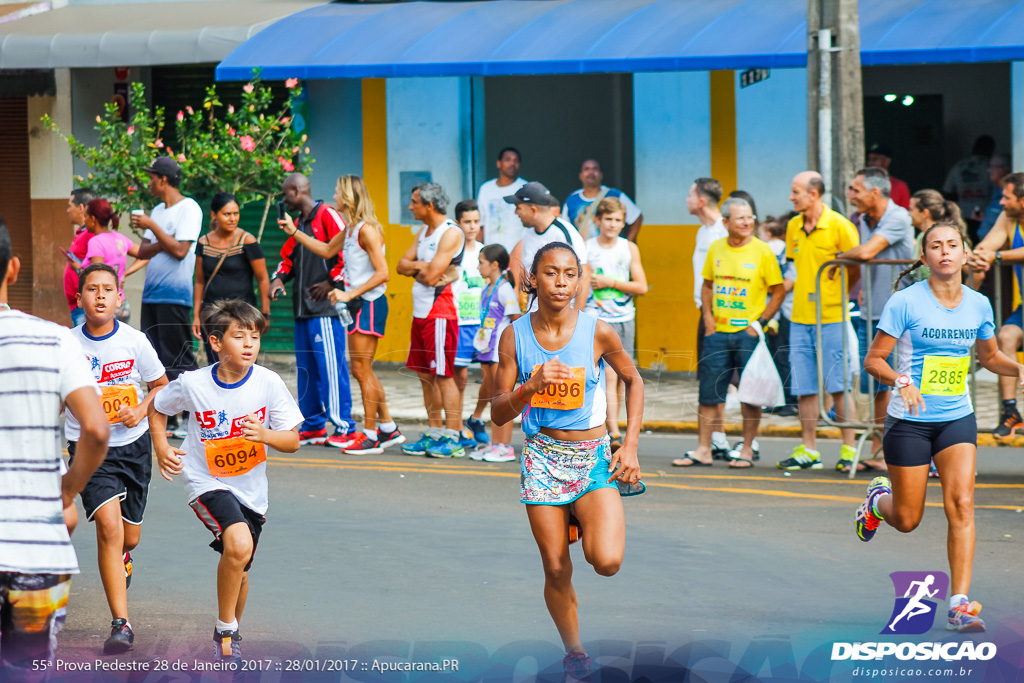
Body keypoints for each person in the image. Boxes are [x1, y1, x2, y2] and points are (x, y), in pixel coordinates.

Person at [855, 221, 1024, 633]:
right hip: (909, 422)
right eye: (936, 246)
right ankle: (878, 501)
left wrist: (1017, 368)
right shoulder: (905, 302)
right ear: (925, 257)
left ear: (965, 255)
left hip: (956, 418)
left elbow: (988, 357)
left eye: (953, 245)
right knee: (908, 519)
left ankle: (959, 604)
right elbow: (874, 360)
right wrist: (901, 380)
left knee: (962, 504)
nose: (945, 252)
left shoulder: (979, 304)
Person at [490, 242, 643, 682]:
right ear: (534, 279)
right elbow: (499, 412)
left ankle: (578, 515)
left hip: (592, 458)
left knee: (607, 560)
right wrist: (529, 386)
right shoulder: (514, 336)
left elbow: (634, 381)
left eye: (570, 274)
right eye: (551, 273)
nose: (561, 282)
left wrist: (628, 446)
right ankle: (574, 651)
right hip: (542, 458)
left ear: (579, 280)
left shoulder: (599, 331)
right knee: (556, 567)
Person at [150, 299, 303, 664]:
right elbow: (157, 406)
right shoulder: (194, 384)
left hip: (252, 490)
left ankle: (232, 628)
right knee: (237, 544)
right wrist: (161, 446)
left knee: (242, 563)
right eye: (239, 336)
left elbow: (293, 441)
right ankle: (225, 629)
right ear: (216, 343)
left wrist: (265, 435)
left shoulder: (268, 382)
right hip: (206, 481)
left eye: (254, 336)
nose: (250, 343)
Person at [0, 220, 109, 677]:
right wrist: (68, 489)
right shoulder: (54, 339)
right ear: (13, 268)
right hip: (35, 553)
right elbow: (97, 430)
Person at [66, 264, 168, 654]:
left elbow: (161, 385)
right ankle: (121, 624)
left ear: (119, 297)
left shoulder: (135, 341)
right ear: (80, 299)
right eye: (92, 289)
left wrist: (142, 409)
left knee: (129, 537)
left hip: (134, 447)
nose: (101, 296)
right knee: (108, 528)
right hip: (89, 448)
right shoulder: (67, 344)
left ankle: (124, 556)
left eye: (108, 289)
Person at [278, 175, 403, 455]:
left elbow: (383, 273)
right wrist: (293, 231)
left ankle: (370, 435)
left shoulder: (366, 230)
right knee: (364, 370)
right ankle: (388, 427)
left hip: (368, 304)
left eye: (337, 192)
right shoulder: (349, 229)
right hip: (357, 306)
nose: (333, 196)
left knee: (360, 370)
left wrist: (348, 293)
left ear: (347, 197)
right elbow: (324, 249)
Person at [672, 197, 783, 468]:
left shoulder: (762, 251)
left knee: (750, 395)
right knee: (709, 393)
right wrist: (708, 319)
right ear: (726, 222)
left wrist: (760, 323)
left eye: (750, 218)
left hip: (748, 334)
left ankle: (746, 449)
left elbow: (778, 290)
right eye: (740, 218)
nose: (747, 222)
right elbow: (707, 285)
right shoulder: (716, 248)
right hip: (717, 332)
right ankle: (703, 449)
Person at [778, 171, 860, 471]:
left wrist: (838, 297)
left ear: (814, 194)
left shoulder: (840, 226)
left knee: (838, 384)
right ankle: (809, 448)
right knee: (804, 386)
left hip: (832, 316)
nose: (791, 197)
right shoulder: (793, 226)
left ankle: (849, 447)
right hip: (800, 316)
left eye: (795, 191)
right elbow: (794, 268)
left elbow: (855, 268)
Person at [270, 173, 355, 449]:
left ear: (296, 191)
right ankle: (314, 425)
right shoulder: (298, 224)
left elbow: (348, 252)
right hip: (302, 310)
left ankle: (344, 426)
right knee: (306, 370)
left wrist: (332, 281)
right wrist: (279, 278)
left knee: (331, 369)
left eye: (285, 195)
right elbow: (287, 258)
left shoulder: (328, 216)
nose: (284, 200)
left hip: (326, 309)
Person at [839, 167, 914, 471]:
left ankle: (888, 450)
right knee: (875, 384)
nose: (851, 195)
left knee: (892, 381)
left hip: (896, 315)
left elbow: (868, 252)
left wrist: (838, 257)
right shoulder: (865, 220)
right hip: (872, 311)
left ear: (875, 192)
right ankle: (879, 448)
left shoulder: (897, 217)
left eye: (855, 189)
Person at [130, 156, 202, 437]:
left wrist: (153, 226)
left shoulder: (189, 208)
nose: (149, 182)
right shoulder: (159, 210)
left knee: (180, 357)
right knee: (156, 357)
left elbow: (181, 250)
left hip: (175, 296)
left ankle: (195, 415)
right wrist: (164, 238)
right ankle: (169, 416)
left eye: (151, 177)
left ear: (163, 179)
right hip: (152, 295)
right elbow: (143, 251)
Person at [397, 182, 468, 458]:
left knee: (444, 376)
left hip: (440, 312)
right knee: (426, 376)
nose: (410, 206)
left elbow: (430, 277)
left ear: (429, 205)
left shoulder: (450, 233)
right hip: (421, 311)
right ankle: (434, 432)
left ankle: (453, 437)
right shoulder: (424, 231)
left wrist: (422, 269)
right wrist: (423, 266)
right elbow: (401, 265)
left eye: (414, 201)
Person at [584, 197, 648, 452]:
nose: (612, 225)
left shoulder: (628, 248)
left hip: (624, 318)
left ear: (624, 223)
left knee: (621, 377)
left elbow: (641, 286)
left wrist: (610, 282)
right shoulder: (587, 247)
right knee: (606, 377)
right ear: (598, 220)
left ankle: (611, 426)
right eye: (608, 219)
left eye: (618, 220)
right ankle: (613, 431)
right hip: (596, 319)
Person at [968, 172, 1024, 438]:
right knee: (1006, 336)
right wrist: (980, 257)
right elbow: (987, 246)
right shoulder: (1009, 218)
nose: (1001, 202)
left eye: (1006, 197)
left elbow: (998, 252)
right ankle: (1010, 411)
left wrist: (996, 256)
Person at [191, 193, 271, 363]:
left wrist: (266, 313)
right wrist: (197, 315)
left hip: (243, 316)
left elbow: (263, 278)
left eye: (236, 213)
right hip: (212, 316)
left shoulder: (247, 241)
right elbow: (199, 281)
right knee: (216, 364)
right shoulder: (203, 243)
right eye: (227, 214)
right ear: (214, 215)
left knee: (244, 365)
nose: (232, 218)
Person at [686, 177, 730, 454]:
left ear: (701, 201)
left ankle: (722, 437)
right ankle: (719, 436)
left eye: (690, 195)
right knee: (712, 373)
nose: (686, 200)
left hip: (719, 313)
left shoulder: (721, 232)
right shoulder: (703, 231)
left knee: (718, 374)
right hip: (704, 310)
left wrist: (713, 315)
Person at [467, 244, 521, 463]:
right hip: (486, 350)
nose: (478, 266)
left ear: (495, 265)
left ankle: (504, 446)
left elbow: (516, 319)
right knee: (493, 398)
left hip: (501, 353)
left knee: (503, 398)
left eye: (481, 262)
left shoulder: (504, 289)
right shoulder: (486, 288)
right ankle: (494, 442)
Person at [507, 181, 591, 312]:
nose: (516, 212)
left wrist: (576, 317)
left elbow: (584, 276)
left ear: (533, 210)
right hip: (535, 314)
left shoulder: (564, 233)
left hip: (562, 315)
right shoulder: (528, 233)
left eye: (518, 207)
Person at [450, 199, 488, 450]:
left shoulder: (487, 252)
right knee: (459, 378)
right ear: (458, 223)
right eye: (467, 222)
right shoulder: (452, 251)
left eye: (476, 221)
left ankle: (476, 418)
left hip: (485, 324)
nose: (472, 226)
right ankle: (457, 426)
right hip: (459, 322)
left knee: (492, 376)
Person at [760, 215, 799, 416]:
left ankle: (791, 401)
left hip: (785, 312)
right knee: (776, 357)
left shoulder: (788, 253)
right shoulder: (782, 250)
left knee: (783, 357)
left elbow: (787, 283)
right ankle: (780, 400)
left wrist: (767, 289)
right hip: (776, 312)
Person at [562, 159, 643, 241]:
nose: (591, 172)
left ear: (601, 175)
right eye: (586, 169)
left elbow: (636, 217)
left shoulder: (616, 195)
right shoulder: (571, 199)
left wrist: (628, 244)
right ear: (580, 175)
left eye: (595, 169)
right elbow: (564, 227)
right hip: (580, 252)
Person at [476, 147, 527, 254]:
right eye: (508, 160)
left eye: (516, 161)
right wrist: (478, 252)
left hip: (518, 253)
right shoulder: (486, 189)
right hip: (491, 254)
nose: (512, 163)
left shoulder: (524, 187)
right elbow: (481, 224)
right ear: (498, 163)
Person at [943, 135, 995, 240]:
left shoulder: (959, 166)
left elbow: (947, 191)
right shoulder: (992, 166)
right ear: (991, 150)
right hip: (986, 214)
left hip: (963, 213)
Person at [908, 189, 966, 283]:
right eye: (935, 247)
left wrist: (964, 294)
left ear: (925, 213)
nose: (908, 214)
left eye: (911, 209)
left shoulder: (947, 236)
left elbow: (976, 272)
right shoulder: (921, 237)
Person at [82, 199, 140, 290]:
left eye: (85, 216)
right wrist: (125, 274)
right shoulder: (120, 238)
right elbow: (145, 255)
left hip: (104, 301)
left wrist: (78, 269)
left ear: (93, 219)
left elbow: (98, 277)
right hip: (119, 299)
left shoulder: (96, 242)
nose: (84, 221)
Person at [63, 187, 98, 326]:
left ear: (81, 208)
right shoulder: (82, 233)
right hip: (78, 306)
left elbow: (96, 269)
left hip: (84, 307)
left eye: (70, 206)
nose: (67, 210)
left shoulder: (92, 234)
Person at [977, 153, 1012, 240]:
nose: (989, 170)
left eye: (994, 167)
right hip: (984, 244)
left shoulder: (1011, 195)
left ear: (1006, 169)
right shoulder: (994, 190)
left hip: (999, 248)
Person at [866, 143, 911, 209]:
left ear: (886, 161)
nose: (870, 163)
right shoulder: (864, 183)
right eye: (869, 159)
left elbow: (905, 212)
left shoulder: (900, 186)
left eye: (875, 159)